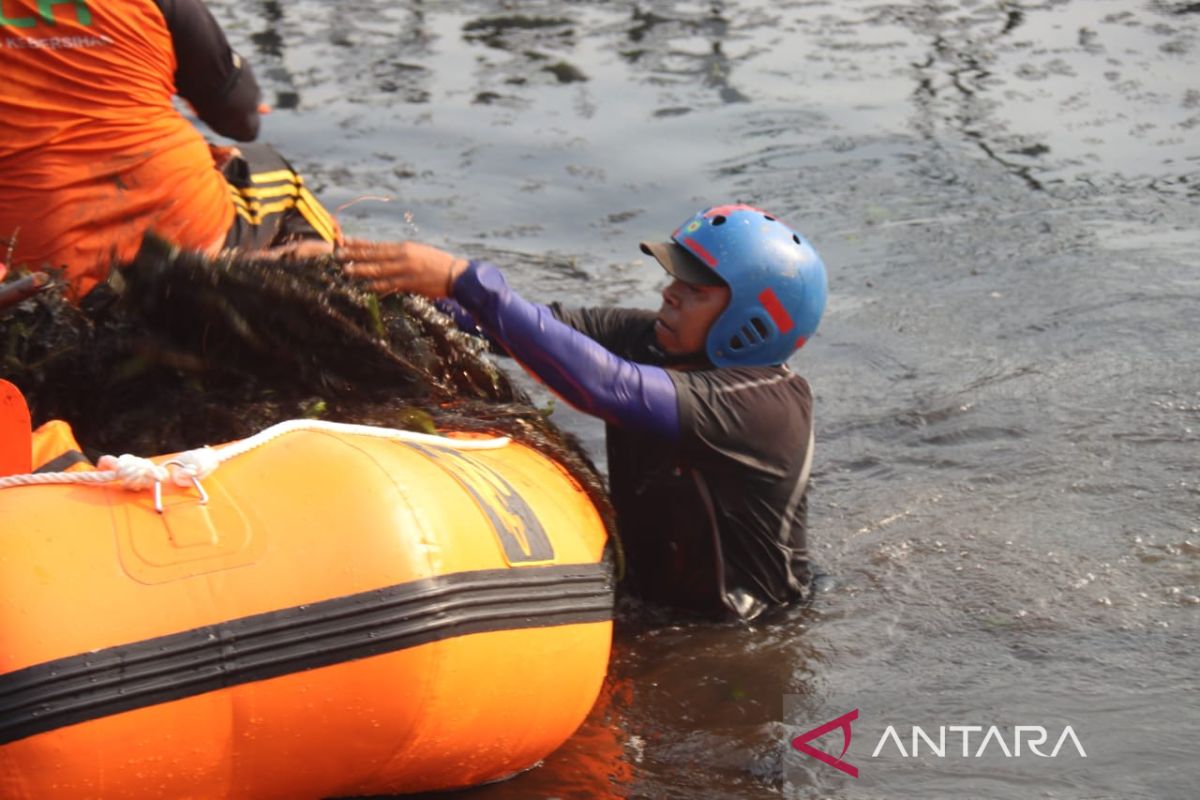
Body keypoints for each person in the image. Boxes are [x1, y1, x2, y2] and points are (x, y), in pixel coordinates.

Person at [339, 204, 827, 621]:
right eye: (675, 278)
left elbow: (606, 385)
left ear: (752, 321)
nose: (669, 293)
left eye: (696, 291)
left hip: (744, 630)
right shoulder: (654, 341)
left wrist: (467, 281)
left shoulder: (762, 406)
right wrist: (366, 278)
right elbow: (524, 326)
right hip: (651, 602)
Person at [0, 0, 339, 303]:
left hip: (23, 258)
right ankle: (333, 309)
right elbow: (240, 120)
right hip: (177, 222)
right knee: (276, 172)